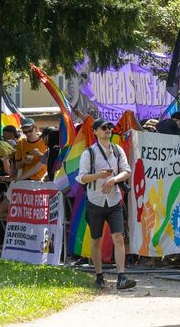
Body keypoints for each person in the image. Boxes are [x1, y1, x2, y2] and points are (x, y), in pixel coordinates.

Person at [76, 118, 136, 290]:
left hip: (114, 199)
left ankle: (121, 277)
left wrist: (113, 179)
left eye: (109, 127)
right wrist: (100, 176)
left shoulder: (117, 150)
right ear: (95, 131)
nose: (108, 130)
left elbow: (127, 171)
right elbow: (81, 178)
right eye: (103, 128)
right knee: (96, 240)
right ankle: (99, 275)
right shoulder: (89, 153)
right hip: (95, 200)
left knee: (118, 236)